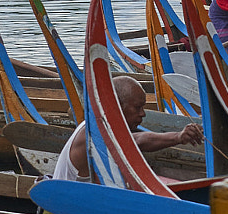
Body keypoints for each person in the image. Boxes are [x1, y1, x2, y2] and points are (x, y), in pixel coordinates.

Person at [51, 75, 203, 182]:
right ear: (116, 105)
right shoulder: (93, 131)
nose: (143, 114)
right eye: (137, 108)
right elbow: (139, 140)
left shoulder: (105, 127)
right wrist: (178, 137)